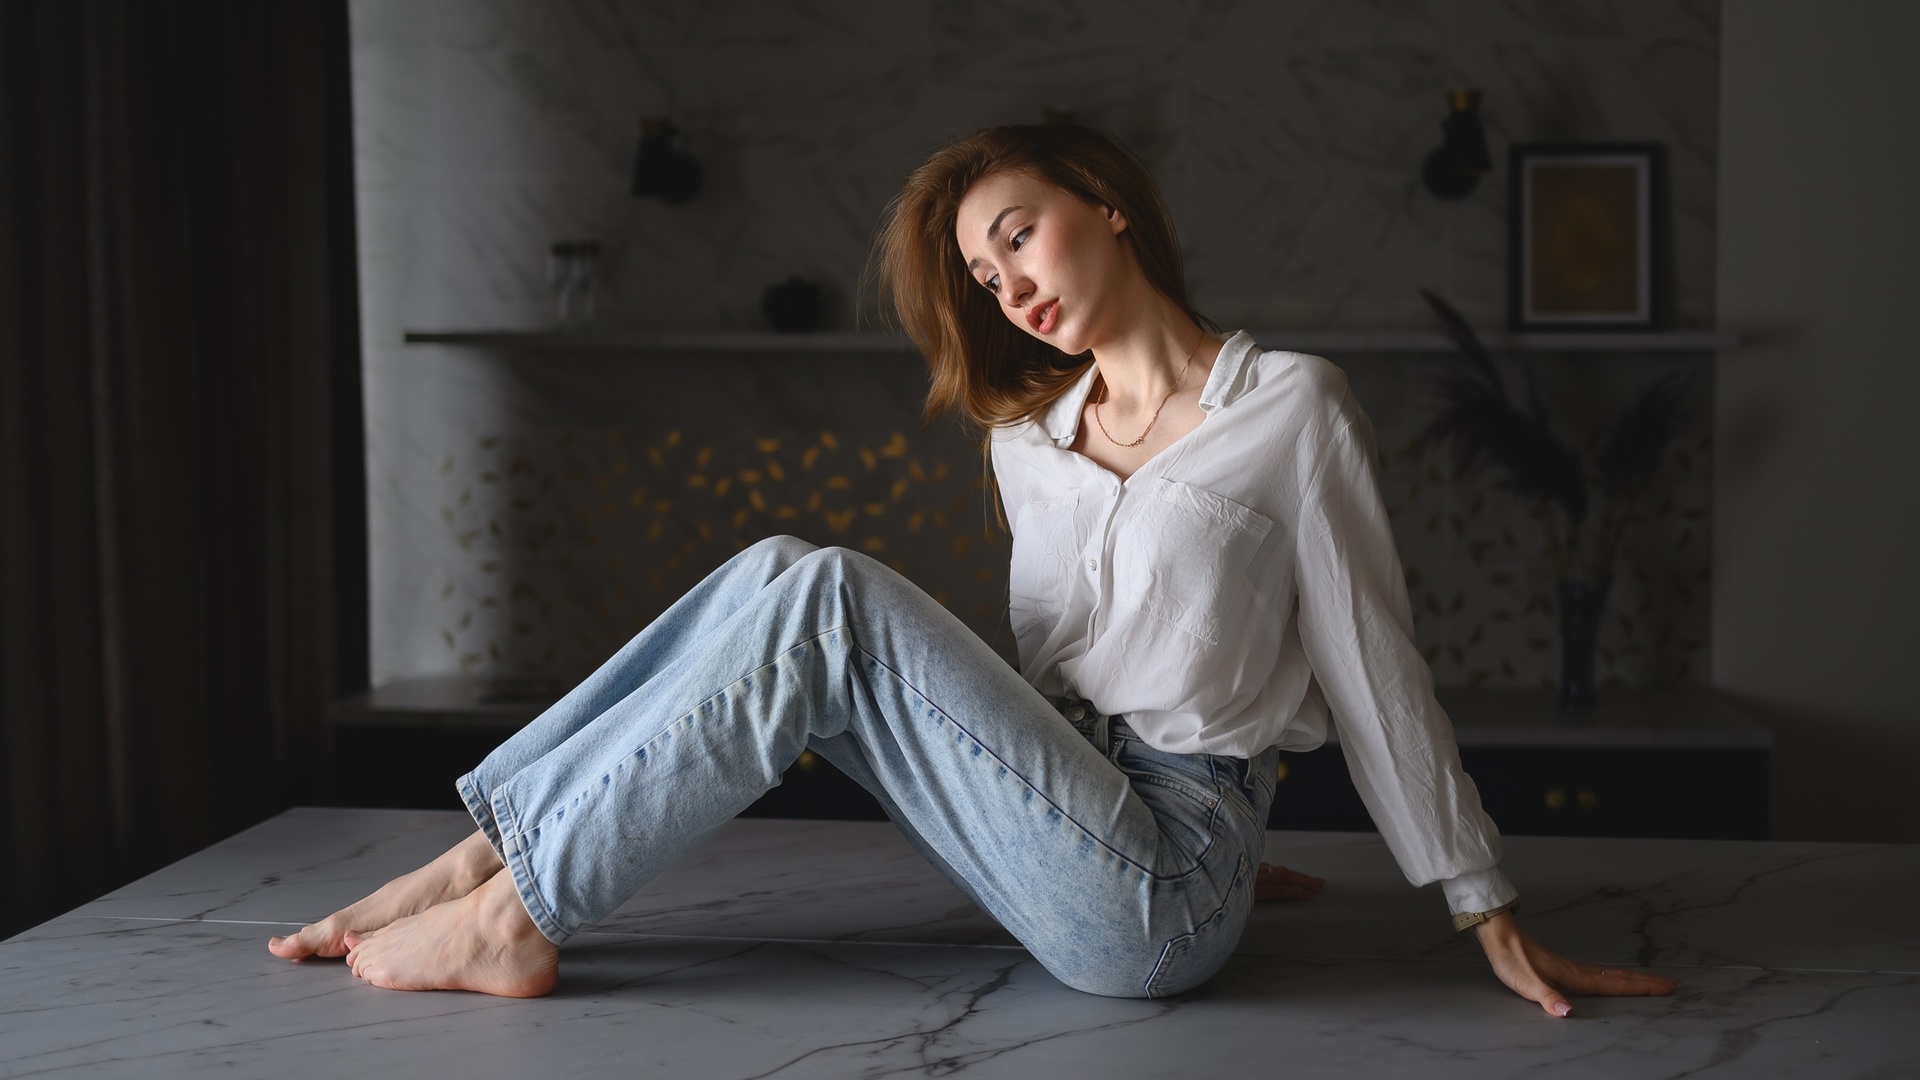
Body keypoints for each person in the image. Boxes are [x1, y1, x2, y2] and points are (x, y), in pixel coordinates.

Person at [269, 122, 1677, 1013]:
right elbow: (1047, 691)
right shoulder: (1033, 440)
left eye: (1019, 235)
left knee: (822, 591)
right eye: (989, 281)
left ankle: (516, 911)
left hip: (1164, 886)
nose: (1013, 287)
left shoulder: (1288, 410)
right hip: (1073, 829)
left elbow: (1372, 670)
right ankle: (482, 856)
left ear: (1107, 205)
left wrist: (1474, 898)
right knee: (778, 566)